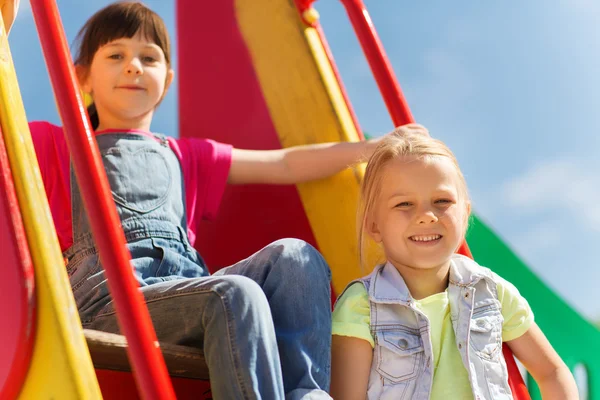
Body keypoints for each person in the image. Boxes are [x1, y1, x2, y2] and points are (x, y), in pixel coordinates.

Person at [4, 2, 405, 399]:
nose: (134, 66)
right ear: (81, 77)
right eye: (116, 55)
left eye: (149, 57)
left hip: (185, 290)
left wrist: (372, 148)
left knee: (296, 258)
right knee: (234, 294)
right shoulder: (57, 144)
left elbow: (285, 164)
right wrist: (5, 24)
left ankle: (305, 393)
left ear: (167, 78)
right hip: (108, 302)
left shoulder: (187, 156)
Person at [330, 129, 579, 399]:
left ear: (465, 214)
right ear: (374, 225)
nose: (426, 216)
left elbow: (552, 372)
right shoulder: (362, 305)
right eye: (404, 204)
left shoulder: (491, 292)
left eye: (442, 201)